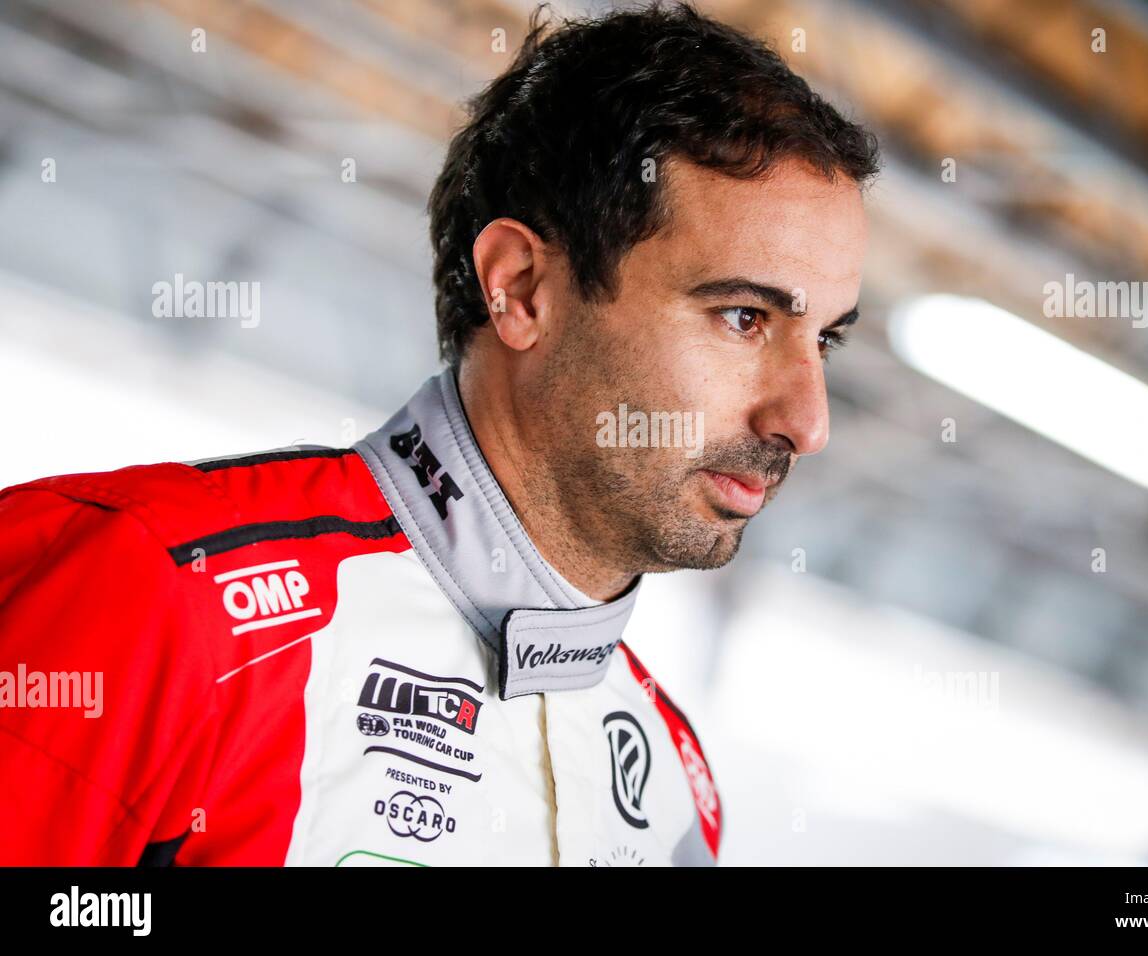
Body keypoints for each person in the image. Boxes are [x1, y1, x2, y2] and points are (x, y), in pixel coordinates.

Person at [0, 2, 878, 866]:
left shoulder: (677, 793)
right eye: (742, 316)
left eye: (826, 338)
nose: (807, 421)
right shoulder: (157, 595)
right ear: (523, 289)